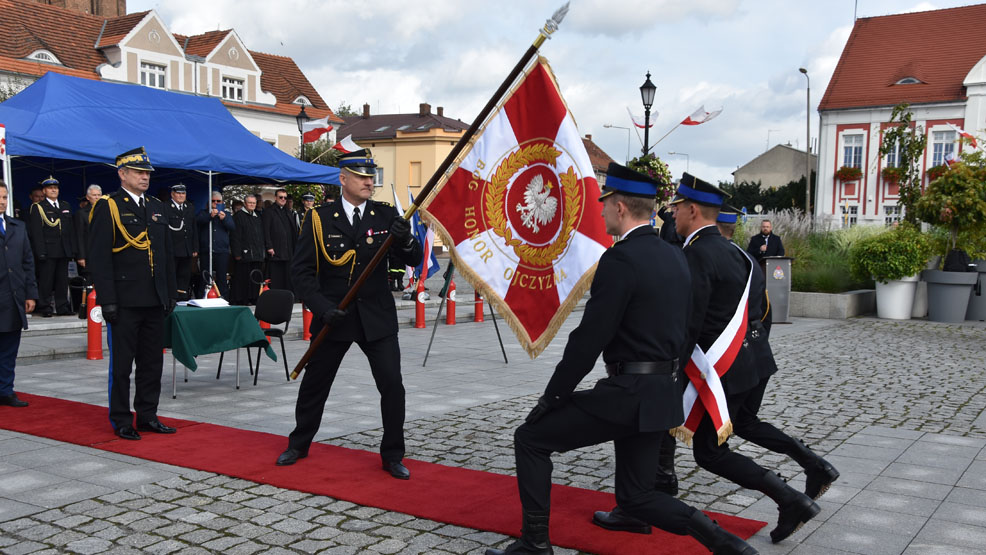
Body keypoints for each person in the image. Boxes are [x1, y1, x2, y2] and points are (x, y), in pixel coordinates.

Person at [486, 163, 755, 555]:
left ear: (620, 208)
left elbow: (588, 340)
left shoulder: (620, 260)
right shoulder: (676, 256)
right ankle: (724, 542)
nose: (601, 211)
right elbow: (686, 329)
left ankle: (535, 544)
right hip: (661, 392)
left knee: (530, 438)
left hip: (628, 393)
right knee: (637, 498)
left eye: (605, 204)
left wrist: (553, 397)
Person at [594, 174, 818, 545]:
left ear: (692, 210)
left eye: (678, 207)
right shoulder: (736, 252)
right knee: (702, 443)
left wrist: (667, 371)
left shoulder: (696, 254)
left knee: (708, 451)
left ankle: (789, 499)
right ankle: (656, 488)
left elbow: (689, 322)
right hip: (746, 362)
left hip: (719, 367)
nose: (675, 214)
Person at [277, 149, 422, 480]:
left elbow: (413, 258)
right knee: (315, 383)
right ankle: (299, 444)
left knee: (392, 386)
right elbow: (301, 273)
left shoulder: (385, 216)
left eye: (371, 177)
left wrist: (406, 239)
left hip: (376, 317)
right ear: (343, 179)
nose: (369, 182)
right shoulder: (319, 219)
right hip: (336, 315)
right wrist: (322, 307)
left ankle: (393, 454)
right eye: (361, 176)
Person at [716, 205, 839, 502]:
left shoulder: (717, 260)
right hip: (758, 357)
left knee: (711, 448)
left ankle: (786, 496)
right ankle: (814, 464)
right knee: (746, 423)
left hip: (736, 363)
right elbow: (766, 313)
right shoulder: (749, 261)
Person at [88, 147, 177, 440]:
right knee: (122, 366)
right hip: (125, 300)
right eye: (139, 172)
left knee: (152, 363)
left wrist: (170, 293)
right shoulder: (108, 206)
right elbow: (100, 257)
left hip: (153, 298)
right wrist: (108, 299)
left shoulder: (156, 206)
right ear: (122, 174)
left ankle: (148, 415)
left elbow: (165, 254)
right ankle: (122, 419)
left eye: (147, 172)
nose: (144, 176)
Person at [0, 181, 39, 408]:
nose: (2, 201)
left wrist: (30, 294)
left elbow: (27, 262)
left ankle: (5, 390)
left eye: (5, 197)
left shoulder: (17, 226)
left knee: (8, 349)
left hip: (13, 297)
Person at [27, 176, 76, 317]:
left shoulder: (65, 205)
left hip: (63, 249)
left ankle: (62, 307)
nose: (53, 190)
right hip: (48, 250)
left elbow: (70, 230)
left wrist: (72, 249)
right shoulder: (39, 207)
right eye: (50, 188)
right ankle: (45, 307)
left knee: (62, 280)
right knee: (46, 281)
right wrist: (40, 251)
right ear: (44, 190)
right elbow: (37, 232)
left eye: (56, 188)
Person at [196, 191, 235, 298]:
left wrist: (224, 219)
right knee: (205, 277)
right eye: (213, 201)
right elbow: (197, 221)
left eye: (218, 201)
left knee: (222, 277)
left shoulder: (226, 214)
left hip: (221, 250)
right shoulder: (203, 212)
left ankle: (223, 299)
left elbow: (232, 227)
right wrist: (210, 216)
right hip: (206, 250)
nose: (215, 203)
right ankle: (202, 298)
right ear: (209, 202)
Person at [164, 184, 198, 301]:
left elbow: (193, 228)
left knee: (185, 274)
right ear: (172, 194)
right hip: (173, 248)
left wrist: (195, 247)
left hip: (187, 247)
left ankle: (182, 296)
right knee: (172, 274)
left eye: (183, 193)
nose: (181, 196)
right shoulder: (166, 207)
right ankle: (172, 297)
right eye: (178, 193)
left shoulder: (190, 207)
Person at [230, 194, 265, 305]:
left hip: (257, 254)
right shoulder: (238, 216)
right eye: (250, 203)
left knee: (255, 278)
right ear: (245, 203)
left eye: (254, 203)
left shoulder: (257, 217)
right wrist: (237, 253)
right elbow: (235, 236)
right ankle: (243, 299)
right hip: (244, 254)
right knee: (243, 279)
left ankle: (254, 298)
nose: (252, 205)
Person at [263, 188, 297, 291]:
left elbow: (293, 230)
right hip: (276, 249)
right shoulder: (269, 211)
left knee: (288, 273)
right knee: (276, 274)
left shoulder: (288, 212)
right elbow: (266, 230)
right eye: (280, 197)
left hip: (288, 249)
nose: (283, 199)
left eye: (285, 198)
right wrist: (269, 246)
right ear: (275, 198)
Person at [73, 184, 103, 281]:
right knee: (89, 282)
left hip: (103, 254)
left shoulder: (106, 211)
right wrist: (81, 256)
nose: (97, 197)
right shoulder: (81, 213)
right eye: (94, 195)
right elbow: (79, 236)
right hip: (88, 254)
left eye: (99, 195)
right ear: (88, 197)